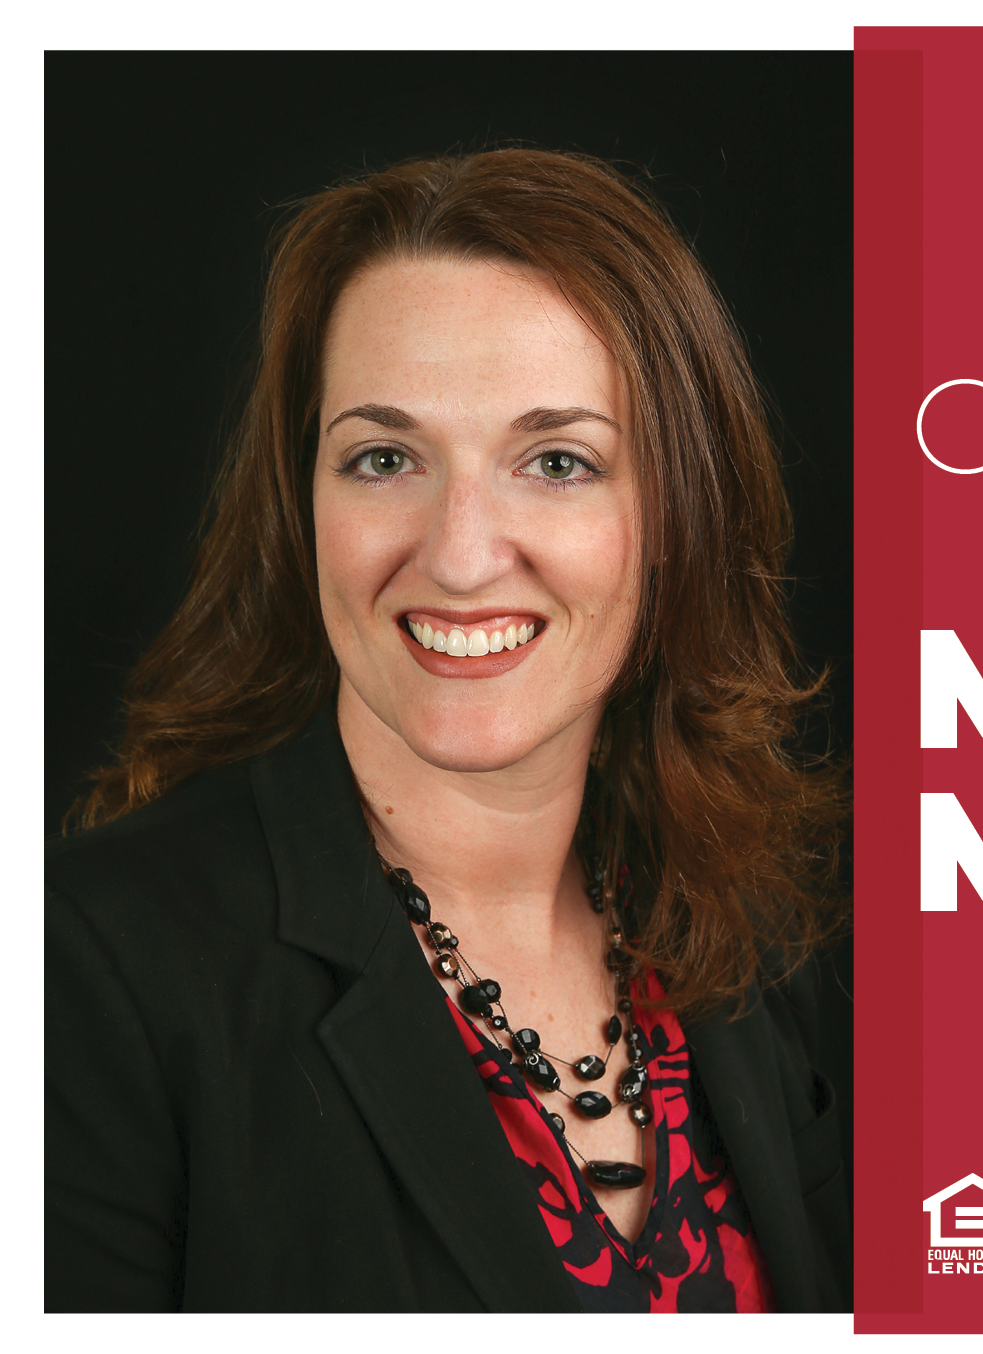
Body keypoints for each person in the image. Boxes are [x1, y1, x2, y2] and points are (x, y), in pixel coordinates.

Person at [46, 149, 850, 1312]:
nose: (462, 555)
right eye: (385, 458)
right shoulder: (86, 973)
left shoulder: (753, 926)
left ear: (674, 510)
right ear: (302, 502)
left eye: (557, 462)